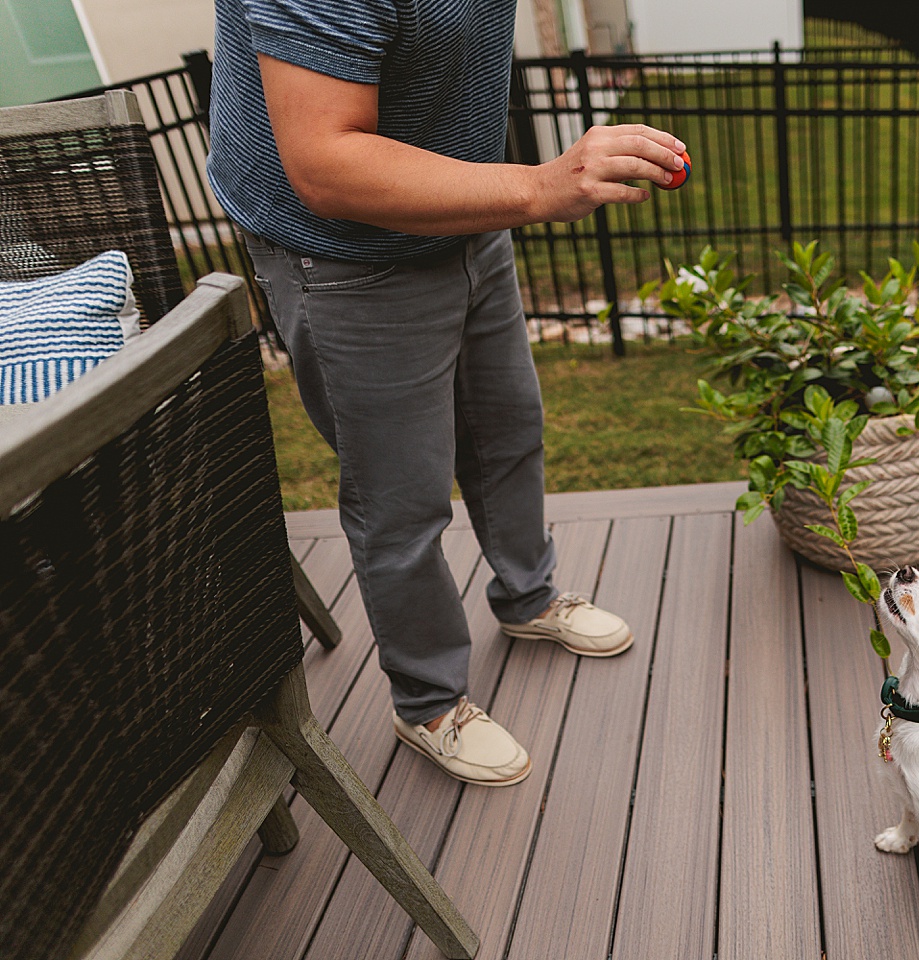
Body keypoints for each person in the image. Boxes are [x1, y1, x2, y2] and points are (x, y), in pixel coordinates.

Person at [207, 0, 688, 786]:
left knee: (507, 430)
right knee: (402, 498)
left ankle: (527, 595)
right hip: (347, 256)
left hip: (460, 211)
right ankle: (427, 701)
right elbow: (325, 162)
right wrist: (538, 187)